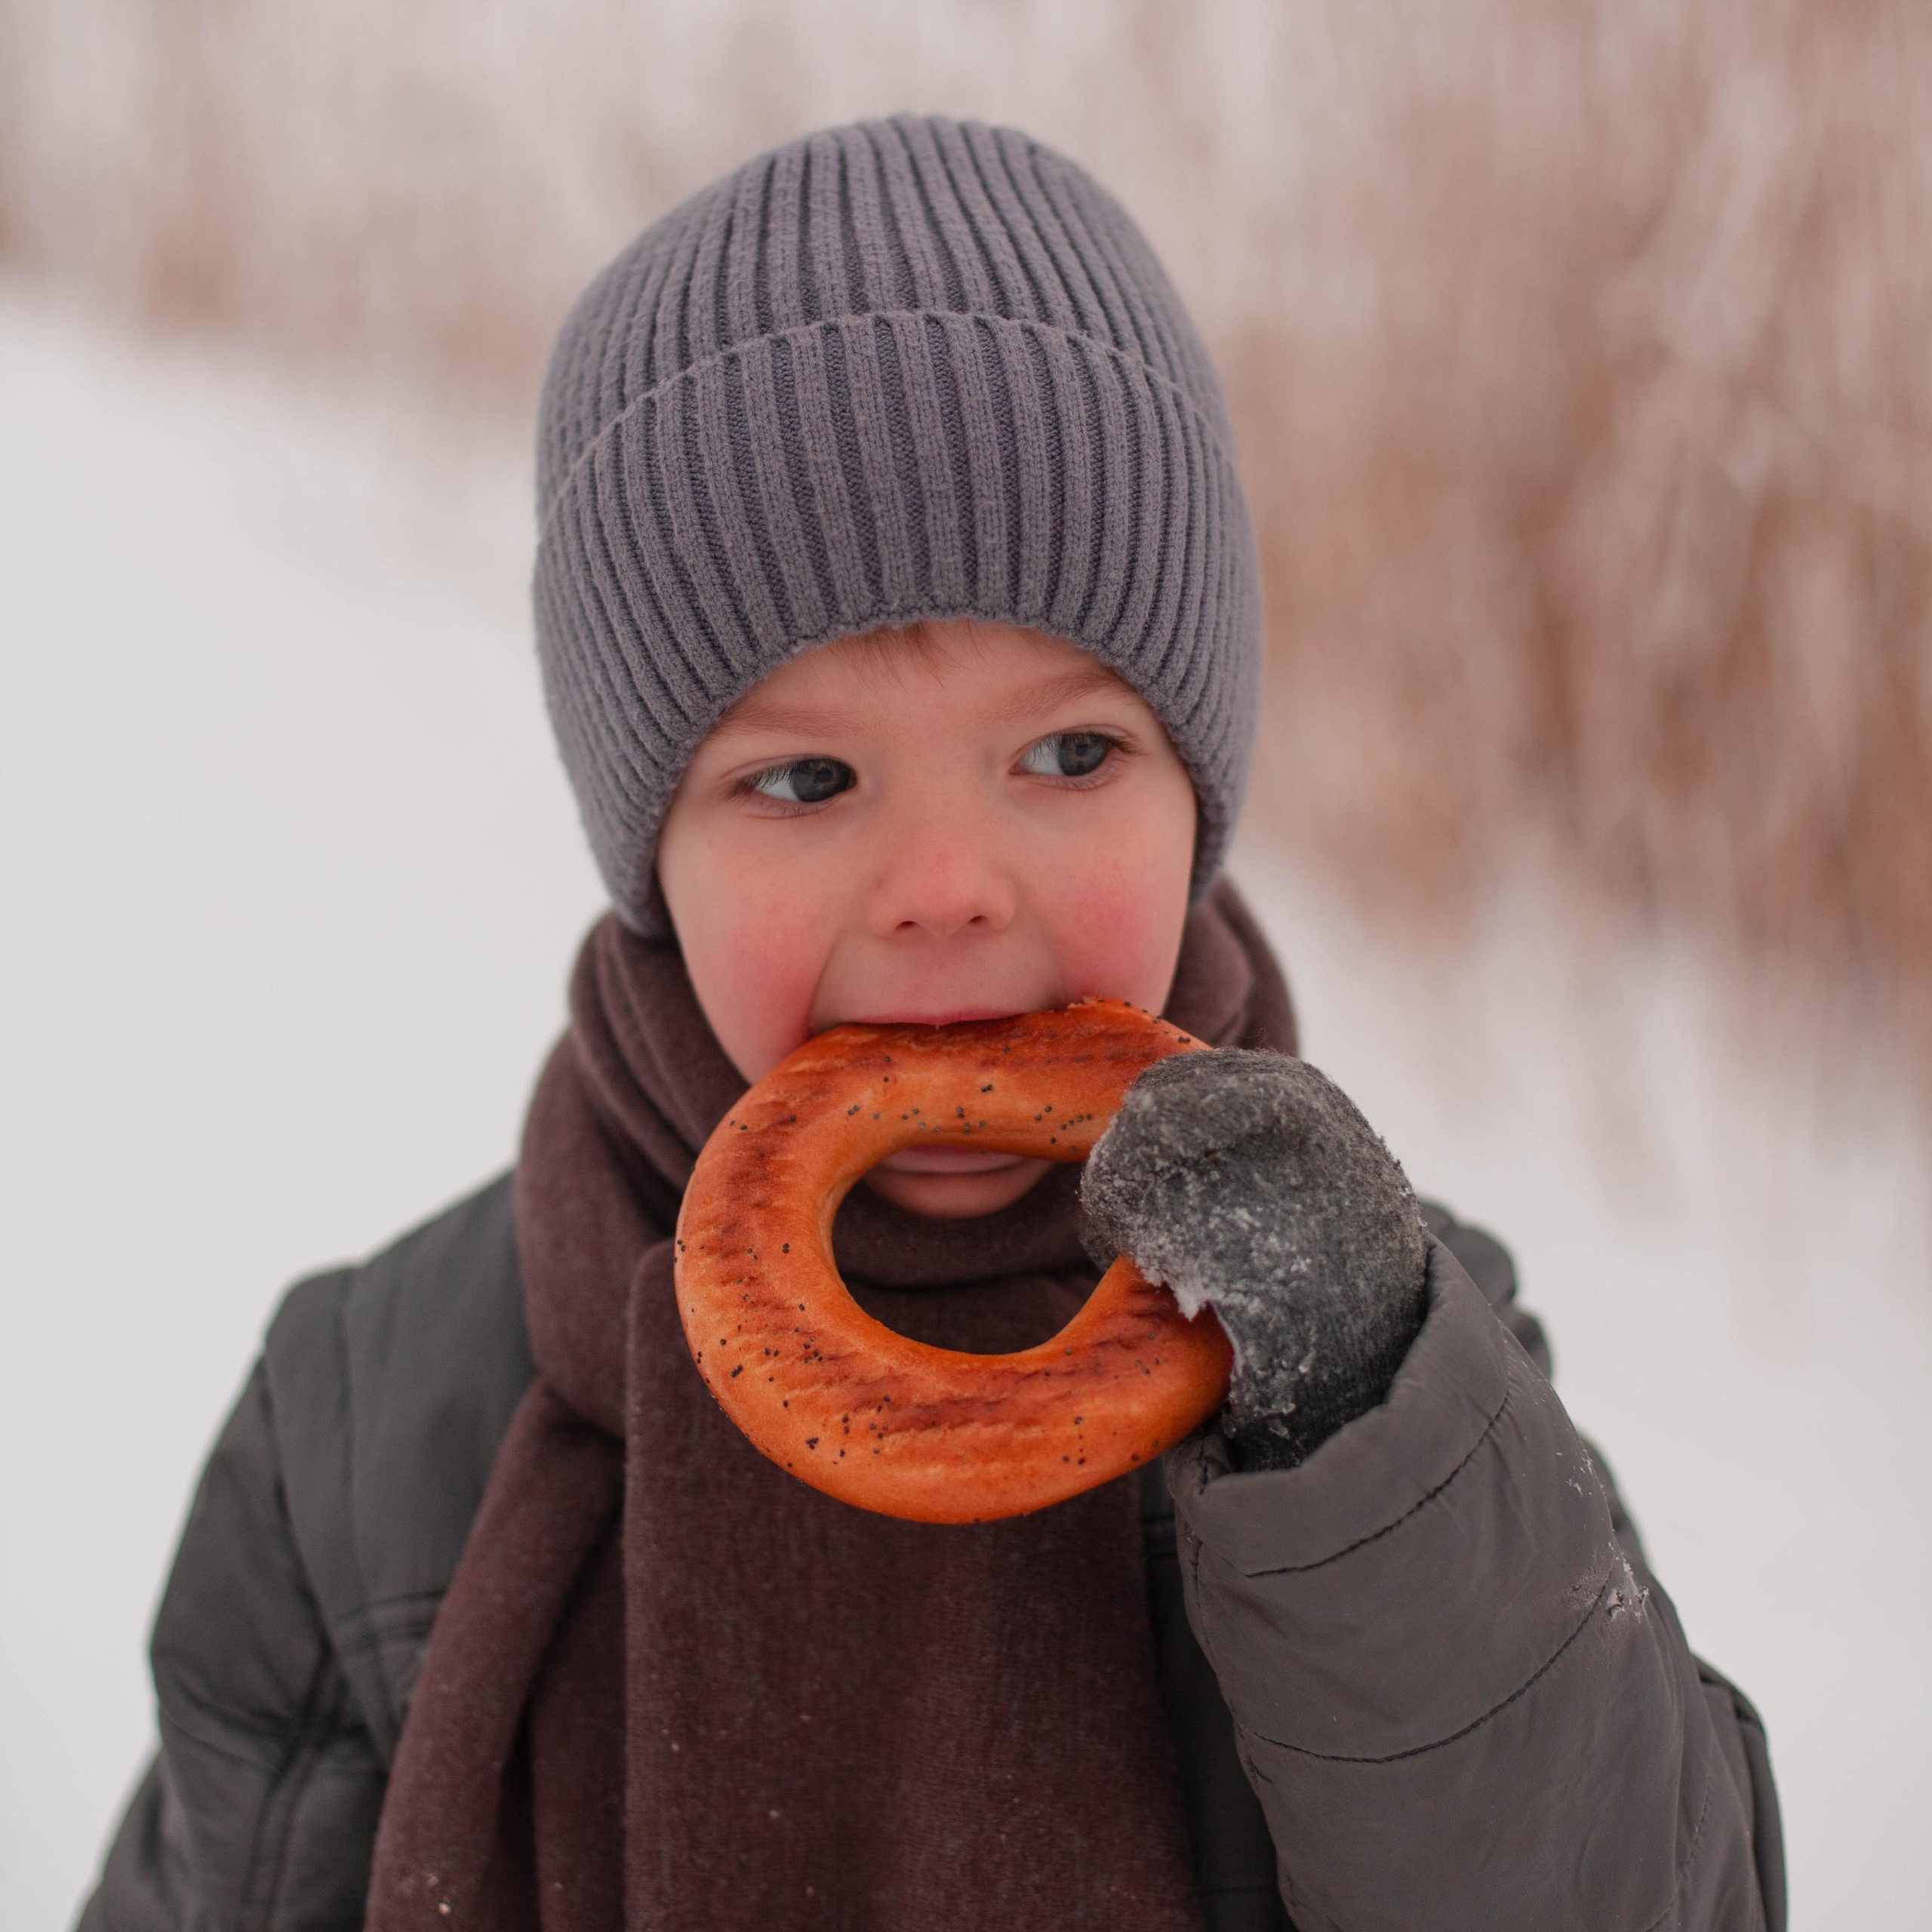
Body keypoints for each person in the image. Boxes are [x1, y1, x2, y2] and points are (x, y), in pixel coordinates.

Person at [75, 113, 1784, 1931]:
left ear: (1196, 798)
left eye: (1066, 752)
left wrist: (1371, 1449)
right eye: (806, 775)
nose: (948, 881)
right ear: (648, 849)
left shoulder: (1389, 1360)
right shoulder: (359, 1434)